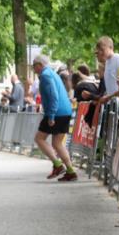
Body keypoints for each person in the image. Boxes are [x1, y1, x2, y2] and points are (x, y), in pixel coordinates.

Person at [32, 54, 77, 182]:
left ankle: (57, 165)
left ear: (39, 65)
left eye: (34, 67)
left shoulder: (45, 76)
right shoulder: (52, 73)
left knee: (39, 138)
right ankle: (70, 171)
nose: (33, 70)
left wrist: (51, 116)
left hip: (56, 113)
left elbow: (53, 96)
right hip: (64, 111)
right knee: (57, 144)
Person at [93, 36, 119, 104]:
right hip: (112, 103)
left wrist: (108, 97)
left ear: (111, 48)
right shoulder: (107, 62)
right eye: (98, 50)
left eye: (102, 50)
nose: (100, 52)